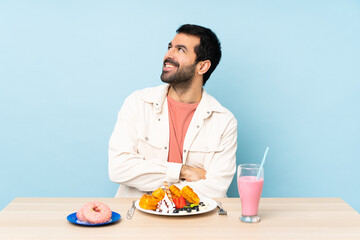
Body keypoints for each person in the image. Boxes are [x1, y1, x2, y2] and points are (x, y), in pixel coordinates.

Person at [108, 24, 237, 198]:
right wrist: (182, 171)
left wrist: (153, 181)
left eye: (181, 50)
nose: (168, 55)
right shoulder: (138, 103)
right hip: (137, 217)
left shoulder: (224, 122)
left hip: (195, 222)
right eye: (170, 47)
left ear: (202, 67)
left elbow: (216, 188)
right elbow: (118, 168)